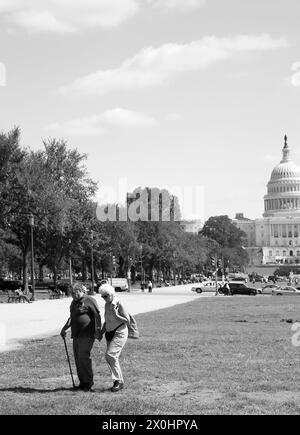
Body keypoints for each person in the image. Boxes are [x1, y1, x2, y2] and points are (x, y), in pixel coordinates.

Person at [60, 282, 102, 392]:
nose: (73, 295)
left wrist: (98, 330)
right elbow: (71, 318)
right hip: (76, 335)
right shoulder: (73, 303)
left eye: (74, 293)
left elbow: (97, 315)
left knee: (84, 357)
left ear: (80, 291)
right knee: (78, 359)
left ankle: (88, 382)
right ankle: (82, 382)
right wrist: (64, 328)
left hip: (87, 334)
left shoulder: (89, 300)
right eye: (71, 293)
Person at [99, 283, 130, 392]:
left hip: (120, 331)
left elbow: (127, 320)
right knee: (110, 357)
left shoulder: (119, 303)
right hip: (109, 332)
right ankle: (118, 381)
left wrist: (117, 315)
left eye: (105, 296)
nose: (104, 298)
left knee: (110, 355)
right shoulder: (107, 304)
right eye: (102, 296)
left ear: (112, 294)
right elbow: (107, 321)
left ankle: (119, 381)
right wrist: (101, 332)